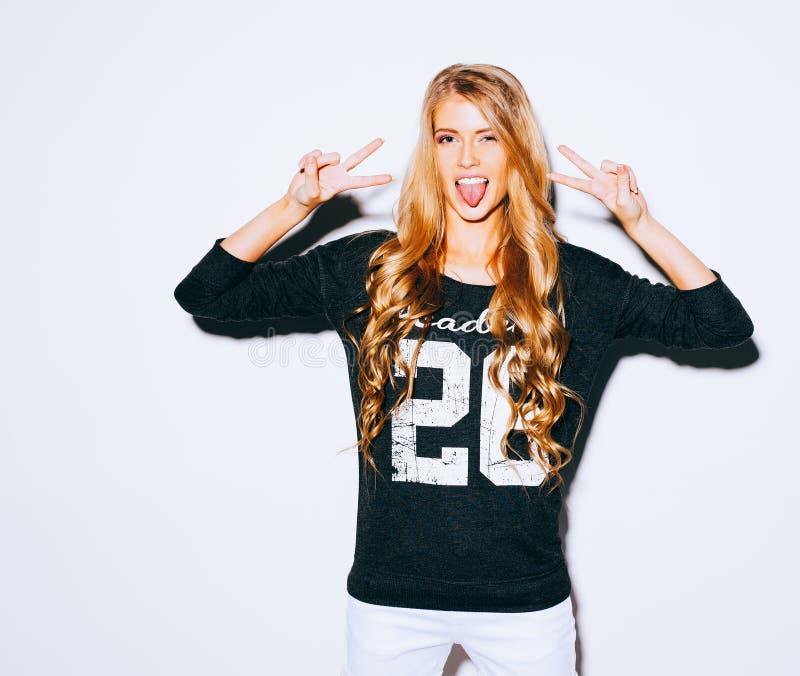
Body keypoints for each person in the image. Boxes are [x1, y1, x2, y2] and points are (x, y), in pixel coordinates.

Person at [173, 63, 754, 676]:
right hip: (391, 599)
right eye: (448, 138)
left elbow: (722, 324)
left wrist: (641, 224)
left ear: (516, 151)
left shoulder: (576, 283)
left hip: (524, 602)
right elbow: (206, 294)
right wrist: (293, 208)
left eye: (489, 137)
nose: (467, 159)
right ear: (431, 152)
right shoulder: (372, 269)